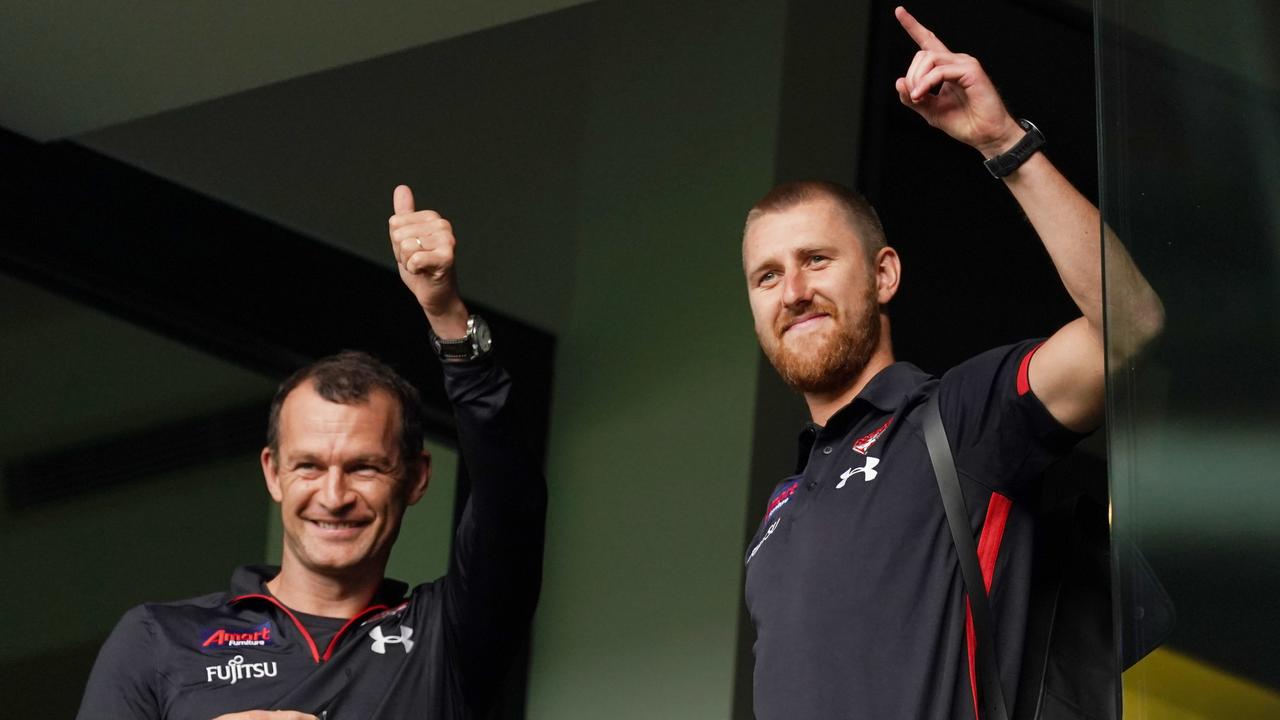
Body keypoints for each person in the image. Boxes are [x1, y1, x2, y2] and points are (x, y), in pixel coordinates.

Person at [740, 7, 1162, 719]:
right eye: (768, 276)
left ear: (884, 276)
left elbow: (1129, 330)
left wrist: (1004, 143)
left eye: (817, 260)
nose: (795, 292)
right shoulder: (778, 517)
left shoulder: (959, 419)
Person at [76, 185, 546, 720]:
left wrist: (446, 314)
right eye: (309, 465)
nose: (334, 495)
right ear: (273, 473)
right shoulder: (157, 640)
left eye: (365, 467)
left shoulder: (450, 636)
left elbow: (511, 499)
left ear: (416, 478)